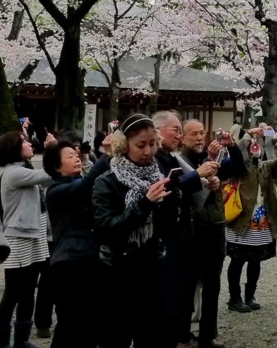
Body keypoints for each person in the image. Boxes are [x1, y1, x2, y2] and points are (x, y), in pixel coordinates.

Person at [91, 113, 174, 348]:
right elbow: (106, 229)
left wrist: (172, 200)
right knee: (114, 339)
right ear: (124, 144)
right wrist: (145, 203)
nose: (148, 151)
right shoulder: (106, 182)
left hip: (151, 271)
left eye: (152, 144)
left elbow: (166, 228)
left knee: (151, 338)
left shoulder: (158, 177)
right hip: (115, 274)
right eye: (140, 145)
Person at [153, 111, 218, 348]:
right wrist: (198, 176)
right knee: (168, 296)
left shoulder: (171, 158)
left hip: (187, 232)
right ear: (157, 130)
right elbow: (169, 188)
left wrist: (208, 183)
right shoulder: (156, 159)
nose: (179, 135)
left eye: (182, 130)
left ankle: (189, 334)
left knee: (183, 292)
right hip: (166, 237)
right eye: (176, 130)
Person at [180, 120, 247, 348]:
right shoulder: (181, 160)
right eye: (194, 134)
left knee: (213, 284)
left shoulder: (215, 158)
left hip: (215, 226)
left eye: (202, 133)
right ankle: (183, 335)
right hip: (192, 229)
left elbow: (240, 170)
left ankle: (209, 334)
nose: (199, 137)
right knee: (187, 285)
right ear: (183, 137)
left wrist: (233, 147)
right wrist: (207, 165)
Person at [224, 125, 277, 314]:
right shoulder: (238, 168)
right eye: (251, 146)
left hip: (261, 222)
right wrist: (249, 135)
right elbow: (239, 153)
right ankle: (234, 297)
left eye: (257, 145)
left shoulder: (265, 167)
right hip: (241, 220)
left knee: (255, 260)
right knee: (238, 260)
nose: (254, 148)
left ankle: (250, 295)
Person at [43, 139, 105, 348]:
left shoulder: (79, 184)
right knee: (70, 324)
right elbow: (86, 186)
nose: (76, 158)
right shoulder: (55, 191)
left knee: (90, 324)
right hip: (69, 263)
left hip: (90, 258)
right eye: (69, 156)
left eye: (76, 155)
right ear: (56, 166)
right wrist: (107, 155)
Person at [0, 130, 54, 348]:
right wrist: (52, 149)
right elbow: (49, 175)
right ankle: (3, 340)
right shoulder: (12, 172)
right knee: (13, 292)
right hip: (18, 238)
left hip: (33, 234)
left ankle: (22, 340)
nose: (31, 144)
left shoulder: (21, 168)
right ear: (13, 148)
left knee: (29, 289)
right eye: (24, 142)